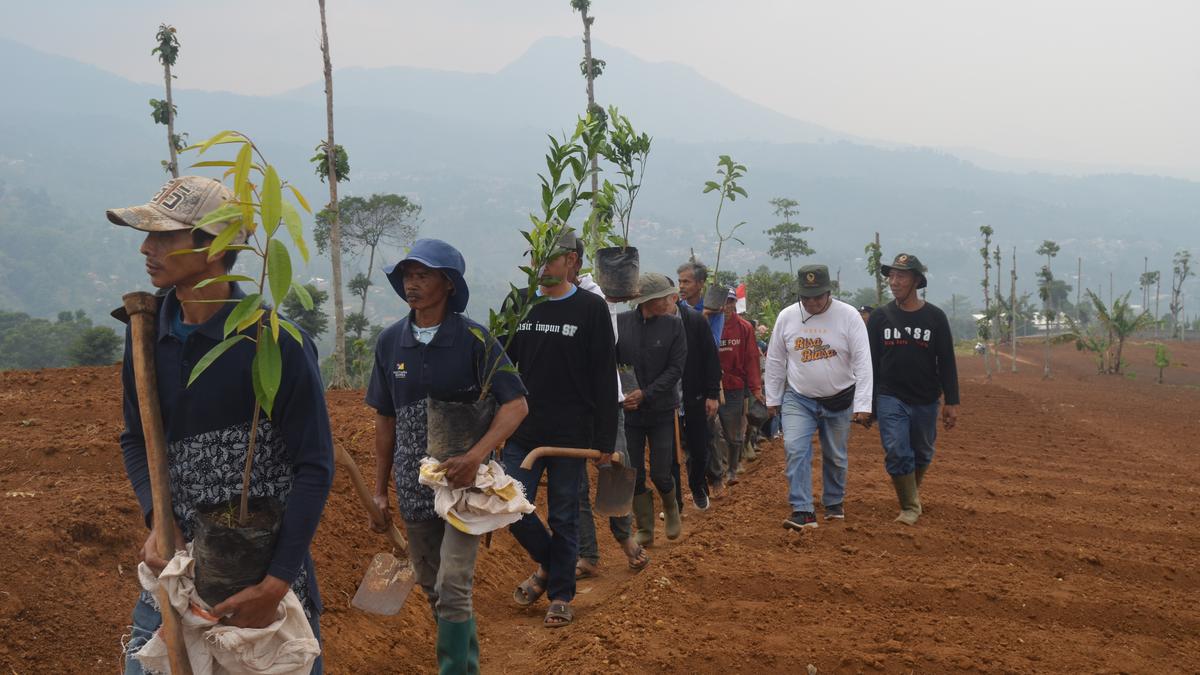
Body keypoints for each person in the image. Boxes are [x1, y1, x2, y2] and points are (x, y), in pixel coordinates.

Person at [111, 176, 334, 674]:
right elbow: (135, 438)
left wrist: (276, 583)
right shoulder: (145, 334)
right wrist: (157, 518)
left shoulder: (276, 343)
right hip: (178, 575)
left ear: (215, 246)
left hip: (261, 586)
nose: (146, 248)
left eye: (164, 236)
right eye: (148, 235)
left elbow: (315, 466)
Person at [366, 239, 528, 672]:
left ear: (449, 284)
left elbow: (516, 405)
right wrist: (379, 491)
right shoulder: (390, 342)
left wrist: (475, 456)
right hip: (413, 483)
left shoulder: (475, 339)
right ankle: (465, 662)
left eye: (423, 275)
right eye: (407, 276)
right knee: (432, 585)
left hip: (463, 484)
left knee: (453, 584)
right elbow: (385, 419)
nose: (412, 284)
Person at [503, 230, 618, 628]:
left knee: (565, 516)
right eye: (535, 257)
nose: (540, 266)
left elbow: (604, 377)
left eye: (549, 258)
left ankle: (561, 596)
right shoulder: (520, 303)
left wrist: (605, 439)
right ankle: (554, 565)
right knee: (510, 506)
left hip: (572, 435)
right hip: (523, 430)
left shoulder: (590, 308)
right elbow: (500, 365)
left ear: (571, 261)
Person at [765, 264, 873, 530]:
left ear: (828, 292)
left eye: (817, 297)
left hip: (839, 398)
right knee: (794, 448)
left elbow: (863, 362)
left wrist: (863, 403)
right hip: (798, 397)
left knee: (835, 455)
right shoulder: (787, 317)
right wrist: (772, 398)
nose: (812, 303)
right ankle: (803, 510)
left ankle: (834, 501)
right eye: (806, 297)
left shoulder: (848, 316)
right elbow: (776, 359)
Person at [571, 250, 650, 578]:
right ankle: (587, 553)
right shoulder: (539, 299)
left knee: (615, 467)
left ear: (573, 262)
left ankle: (625, 538)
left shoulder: (597, 297)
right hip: (567, 405)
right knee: (573, 482)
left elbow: (610, 341)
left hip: (604, 400)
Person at [866, 253, 960, 526]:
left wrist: (951, 401)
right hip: (890, 396)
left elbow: (947, 361)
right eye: (891, 276)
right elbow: (870, 363)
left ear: (916, 281)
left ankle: (911, 494)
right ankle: (909, 506)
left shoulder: (935, 317)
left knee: (922, 452)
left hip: (926, 398)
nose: (894, 281)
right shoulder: (880, 317)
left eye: (901, 276)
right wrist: (867, 403)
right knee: (896, 449)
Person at [617, 273, 687, 545]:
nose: (670, 302)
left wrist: (646, 394)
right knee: (633, 472)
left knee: (660, 471)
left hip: (661, 410)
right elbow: (612, 363)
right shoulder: (621, 323)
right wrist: (624, 395)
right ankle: (645, 527)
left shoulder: (674, 326)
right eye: (664, 299)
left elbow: (675, 369)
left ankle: (671, 507)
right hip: (630, 412)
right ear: (647, 301)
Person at [670, 285, 722, 511]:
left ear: (673, 298)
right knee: (670, 454)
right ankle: (674, 502)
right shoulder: (649, 322)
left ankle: (698, 486)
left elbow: (711, 359)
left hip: (695, 396)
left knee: (699, 449)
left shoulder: (695, 321)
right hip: (666, 400)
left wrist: (712, 394)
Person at [711, 291, 763, 485]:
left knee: (732, 433)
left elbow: (751, 358)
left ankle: (733, 469)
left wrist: (755, 387)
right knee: (713, 431)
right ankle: (719, 471)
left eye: (730, 301)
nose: (726, 306)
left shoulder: (744, 328)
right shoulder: (707, 324)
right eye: (723, 301)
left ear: (735, 303)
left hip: (734, 387)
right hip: (711, 387)